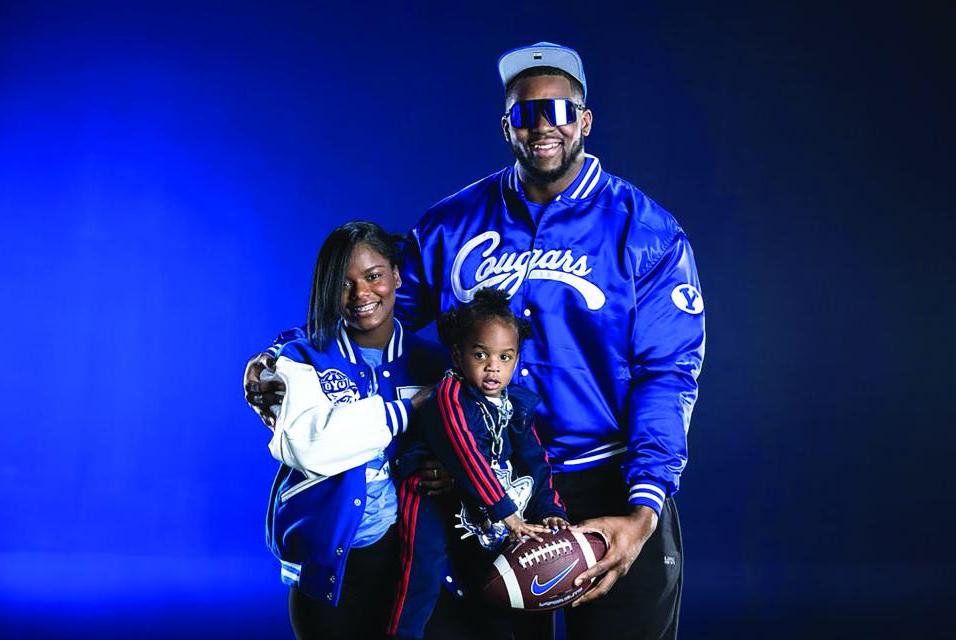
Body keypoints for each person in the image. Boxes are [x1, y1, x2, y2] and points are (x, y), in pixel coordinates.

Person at [247, 42, 705, 640]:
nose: (543, 125)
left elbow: (667, 375)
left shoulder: (647, 232)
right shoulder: (452, 225)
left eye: (560, 110)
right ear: (506, 125)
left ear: (585, 120)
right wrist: (284, 356)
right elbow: (371, 311)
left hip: (610, 481)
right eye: (524, 113)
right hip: (488, 483)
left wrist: (642, 512)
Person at [260, 221, 446, 640]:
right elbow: (309, 445)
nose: (362, 294)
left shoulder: (434, 364)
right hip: (329, 567)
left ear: (396, 276)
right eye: (344, 284)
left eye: (374, 276)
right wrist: (407, 409)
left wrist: (449, 472)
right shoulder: (300, 358)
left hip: (410, 562)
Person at [387, 288, 569, 640]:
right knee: (423, 570)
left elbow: (534, 459)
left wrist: (550, 509)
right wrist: (508, 513)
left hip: (481, 503)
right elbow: (465, 454)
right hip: (429, 495)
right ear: (457, 356)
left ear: (516, 361)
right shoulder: (448, 395)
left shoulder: (514, 403)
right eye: (480, 354)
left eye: (505, 357)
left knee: (494, 583)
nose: (492, 367)